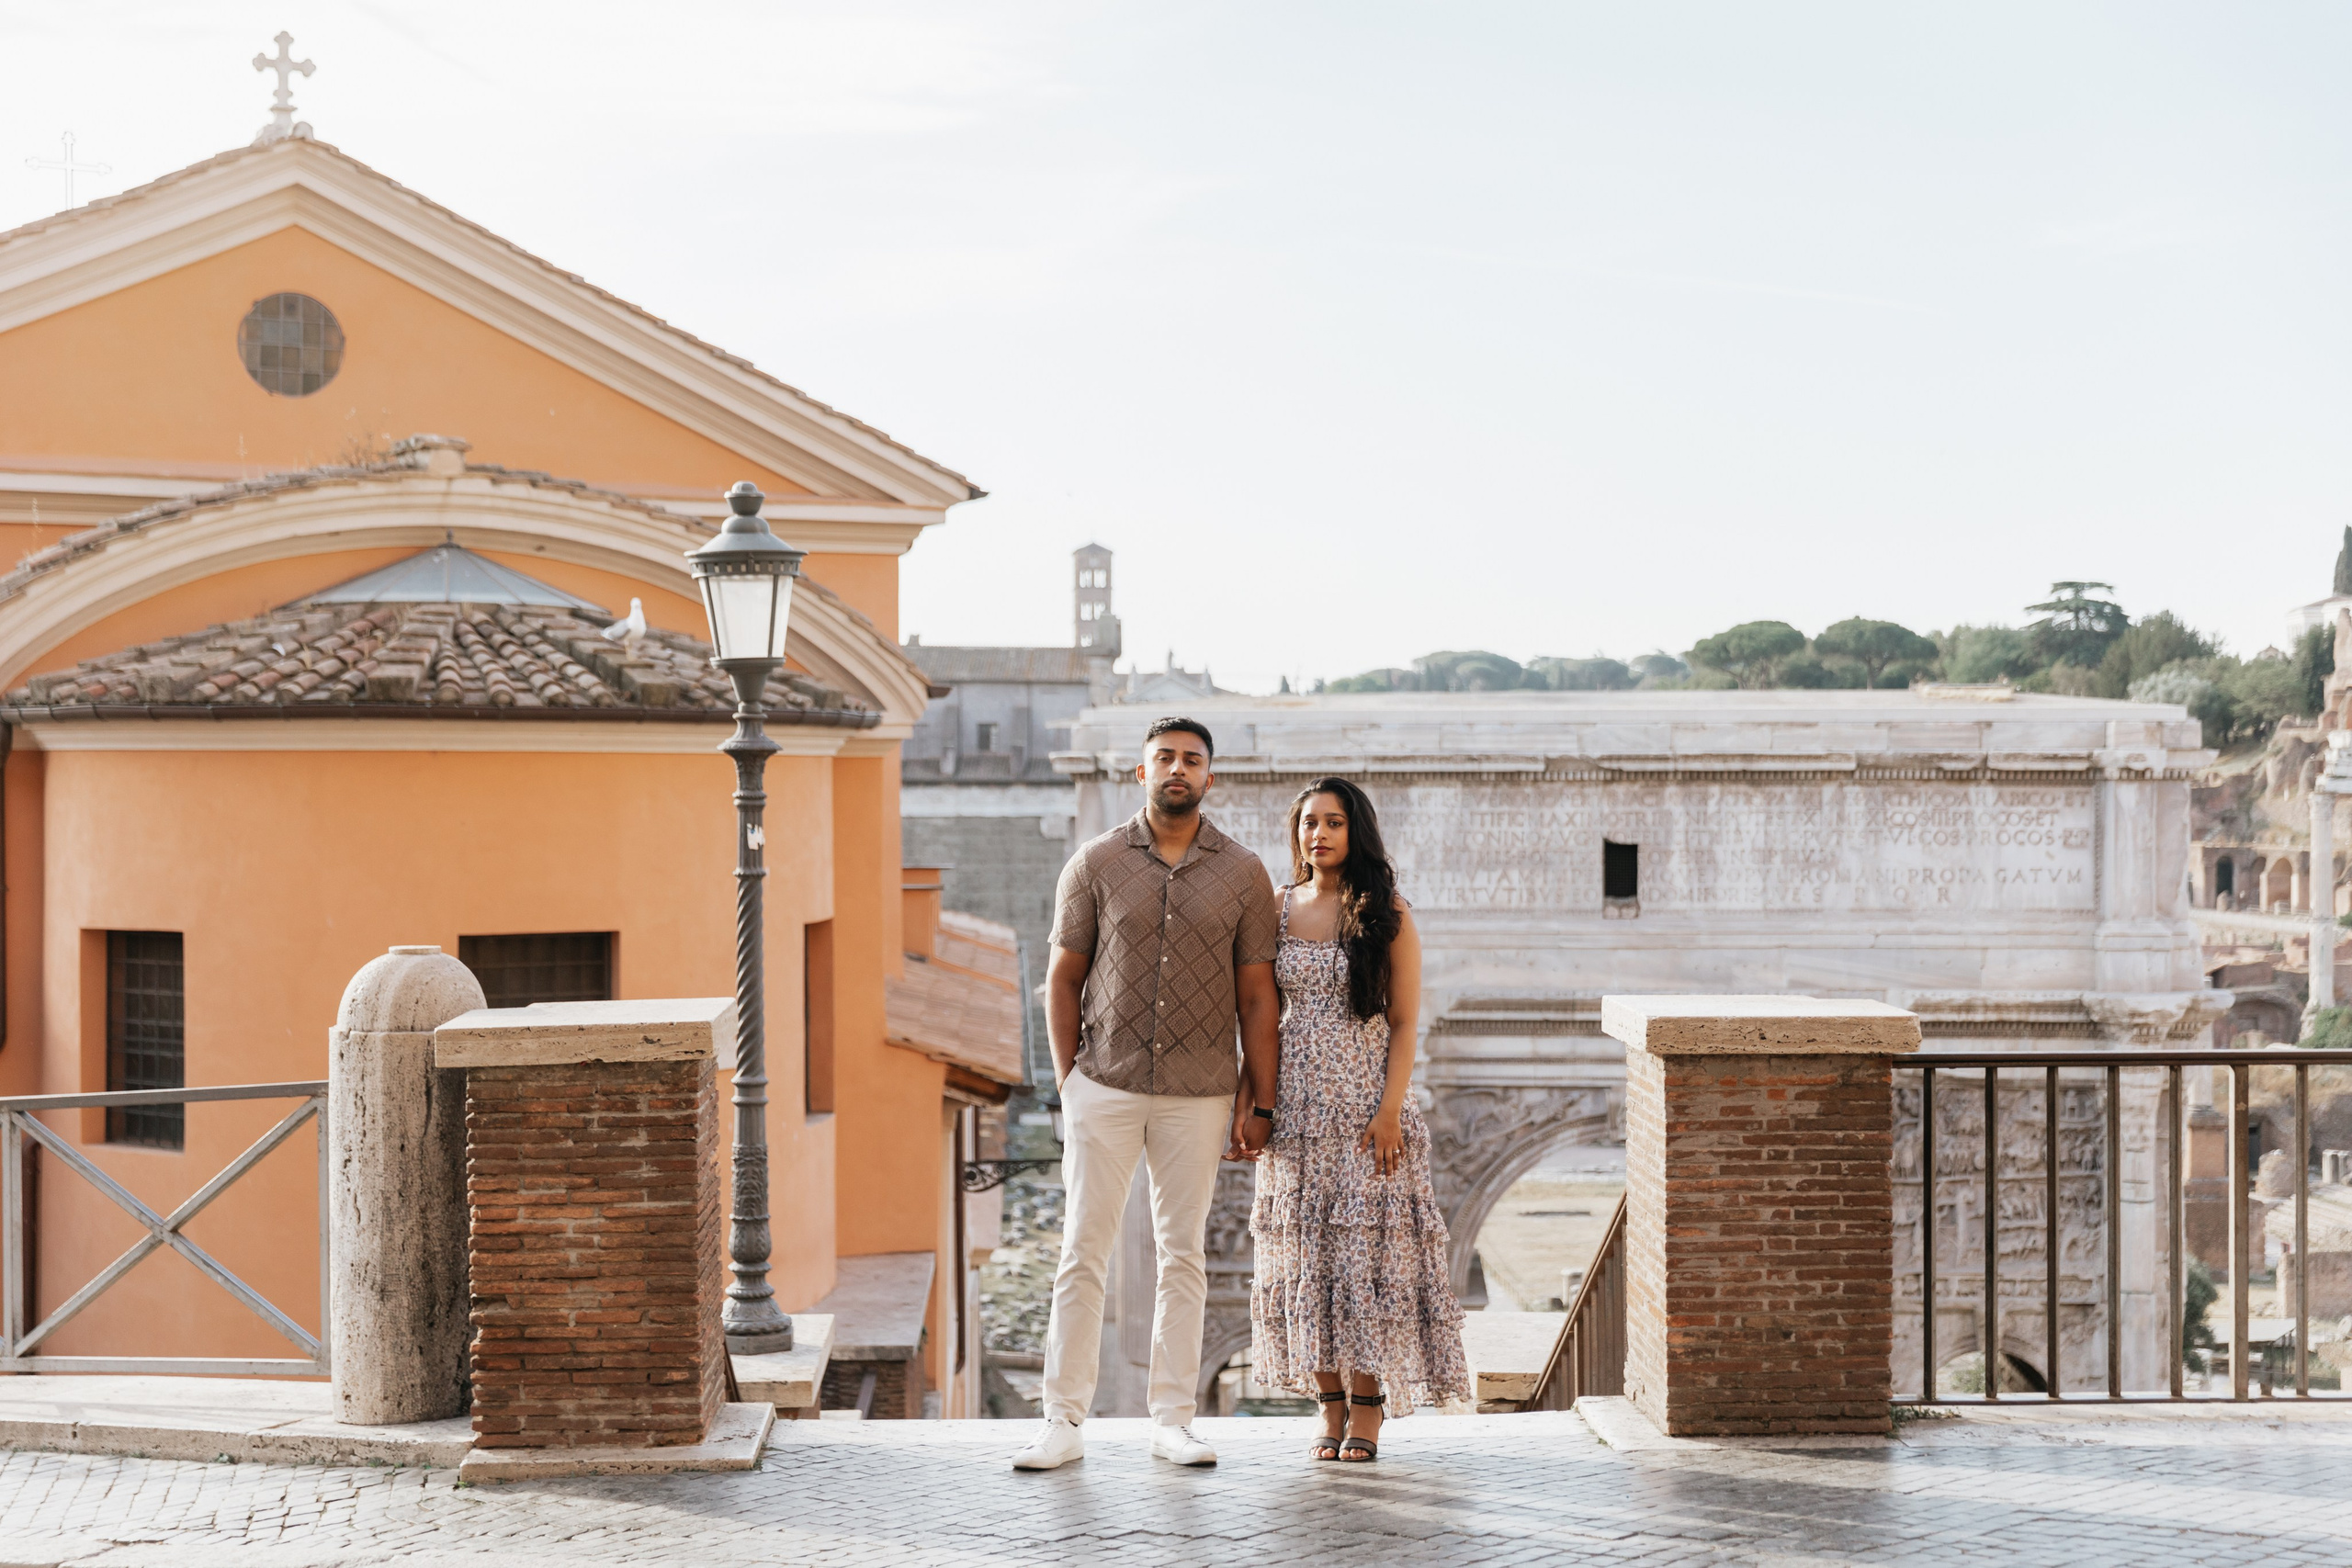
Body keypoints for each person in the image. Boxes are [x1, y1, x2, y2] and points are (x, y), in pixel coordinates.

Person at [1012, 716, 1281, 1472]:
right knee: (1081, 1253)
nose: (1178, 769)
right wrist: (1069, 1082)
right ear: (1141, 772)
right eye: (1164, 757)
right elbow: (1062, 979)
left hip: (1199, 1093)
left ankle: (1173, 1418)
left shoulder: (1244, 874)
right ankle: (1061, 1420)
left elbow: (1259, 999)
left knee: (1182, 1256)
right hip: (1106, 1085)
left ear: (1209, 777)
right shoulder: (1093, 864)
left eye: (1193, 759)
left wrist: (1259, 1101)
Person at [1247, 776, 1468, 1462]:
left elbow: (1405, 1024)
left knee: (1368, 1263)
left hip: (1366, 1115)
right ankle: (1328, 1403)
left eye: (1334, 822)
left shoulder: (1387, 912)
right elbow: (1257, 1015)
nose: (1319, 834)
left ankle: (1368, 1405)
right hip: (1294, 1116)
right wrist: (1251, 1102)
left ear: (1356, 832)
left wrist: (1389, 1112)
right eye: (1309, 822)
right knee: (1305, 1258)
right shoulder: (1276, 909)